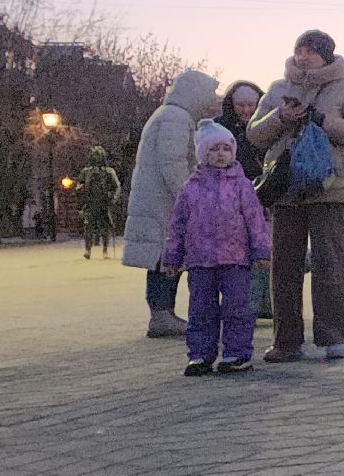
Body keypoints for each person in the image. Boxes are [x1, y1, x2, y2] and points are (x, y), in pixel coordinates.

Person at [247, 29, 344, 362]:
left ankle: (334, 337)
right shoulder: (278, 89)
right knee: (284, 267)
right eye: (299, 50)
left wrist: (324, 121)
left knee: (331, 264)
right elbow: (255, 134)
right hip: (286, 188)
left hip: (330, 188)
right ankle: (286, 342)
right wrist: (280, 117)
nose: (304, 56)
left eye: (312, 51)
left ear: (327, 56)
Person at [161, 120, 271, 375]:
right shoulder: (191, 188)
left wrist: (261, 251)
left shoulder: (242, 186)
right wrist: (172, 258)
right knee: (201, 309)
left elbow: (255, 220)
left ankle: (237, 353)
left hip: (236, 259)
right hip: (201, 261)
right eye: (214, 149)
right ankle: (200, 354)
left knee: (237, 308)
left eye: (225, 149)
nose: (221, 154)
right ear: (202, 153)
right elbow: (177, 225)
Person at [122, 70, 221, 338]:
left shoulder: (172, 115)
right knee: (165, 258)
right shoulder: (176, 118)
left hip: (159, 202)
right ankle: (162, 315)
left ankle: (163, 313)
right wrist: (190, 196)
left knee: (166, 257)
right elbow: (173, 162)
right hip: (163, 205)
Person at [218, 80, 273, 320]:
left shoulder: (267, 126)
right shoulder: (222, 129)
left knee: (264, 252)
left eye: (251, 104)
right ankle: (247, 307)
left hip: (264, 196)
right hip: (232, 200)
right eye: (240, 104)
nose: (246, 110)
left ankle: (265, 303)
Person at [74, 146, 121, 260]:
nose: (97, 158)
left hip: (104, 203)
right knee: (87, 227)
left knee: (105, 228)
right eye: (95, 155)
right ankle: (87, 249)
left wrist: (114, 199)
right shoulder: (86, 172)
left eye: (99, 155)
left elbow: (117, 186)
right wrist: (81, 188)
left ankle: (105, 249)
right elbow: (78, 185)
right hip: (90, 203)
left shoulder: (109, 171)